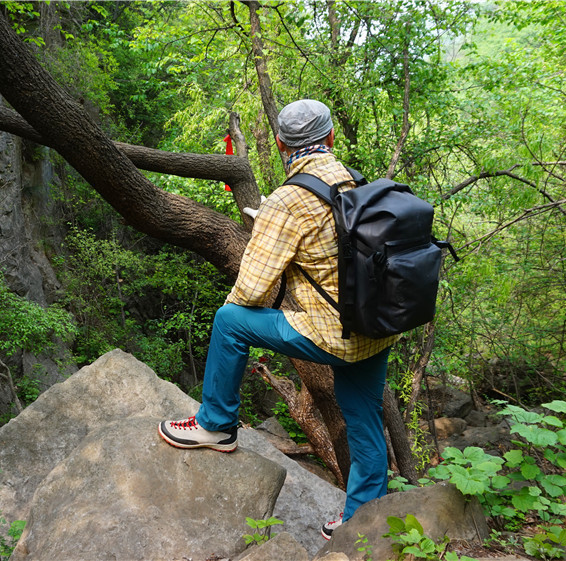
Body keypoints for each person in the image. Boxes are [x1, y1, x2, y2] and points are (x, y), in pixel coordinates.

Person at [158, 99, 399, 539]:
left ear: (282, 144)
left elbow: (251, 291)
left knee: (229, 320)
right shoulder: (354, 182)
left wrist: (268, 230)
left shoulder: (288, 201)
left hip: (331, 334)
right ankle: (364, 519)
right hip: (374, 328)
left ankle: (216, 425)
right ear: (329, 139)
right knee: (363, 416)